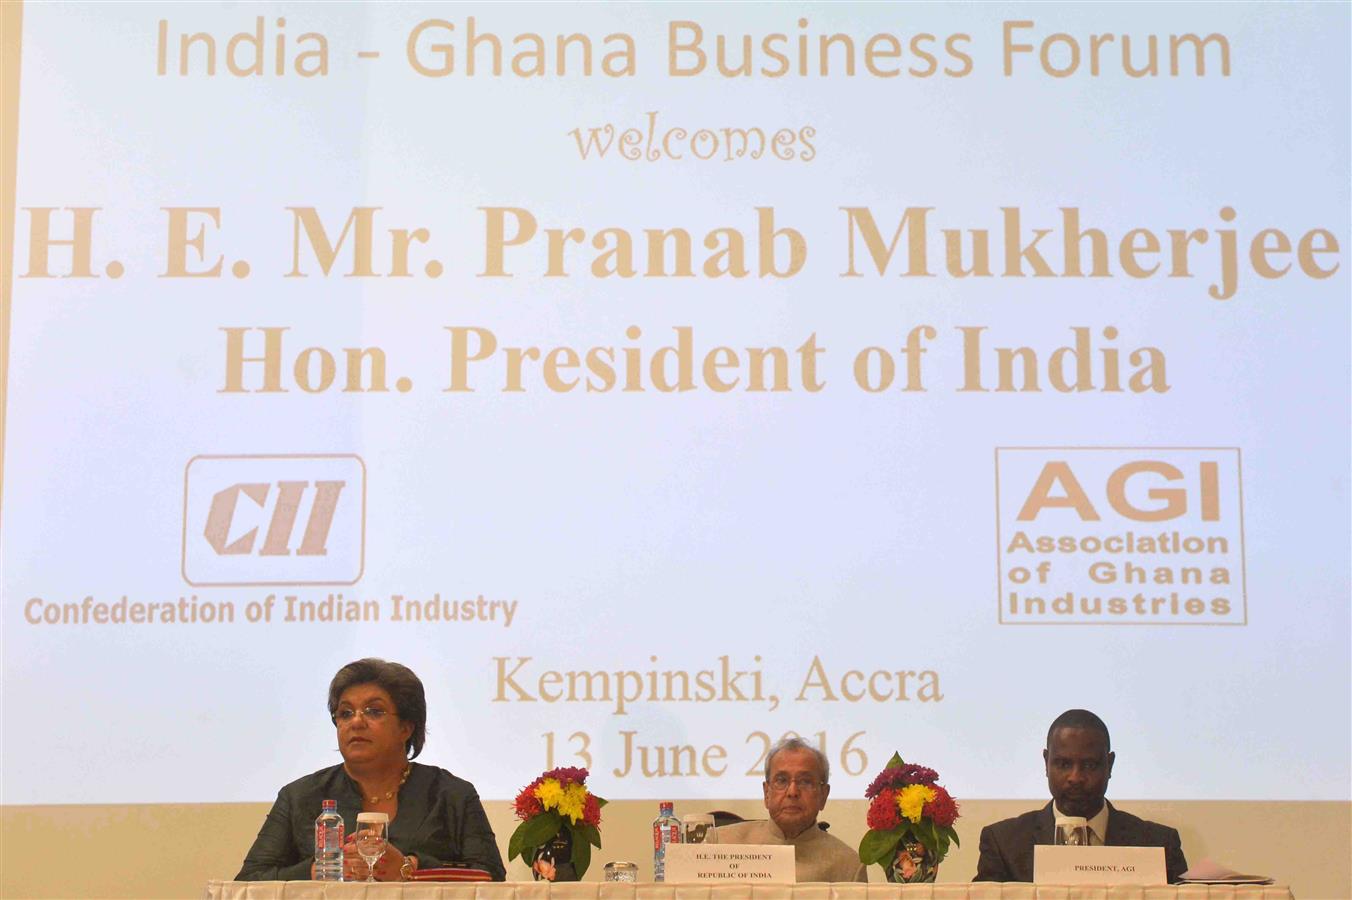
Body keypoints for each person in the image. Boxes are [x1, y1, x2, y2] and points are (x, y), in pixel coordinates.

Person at [236, 658, 506, 881]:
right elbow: (248, 881)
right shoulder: (299, 796)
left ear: (406, 727)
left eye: (374, 711)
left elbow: (490, 877)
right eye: (345, 713)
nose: (356, 722)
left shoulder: (451, 794)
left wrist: (409, 868)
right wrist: (320, 869)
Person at [974, 709, 1188, 884]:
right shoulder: (1004, 843)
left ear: (1110, 764)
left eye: (1089, 765)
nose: (1075, 777)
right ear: (1046, 762)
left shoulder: (1159, 844)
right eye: (1063, 764)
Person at [714, 736, 867, 882]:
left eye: (805, 782)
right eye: (781, 780)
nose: (792, 792)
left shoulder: (848, 866)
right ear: (767, 793)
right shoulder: (722, 843)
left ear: (823, 795)